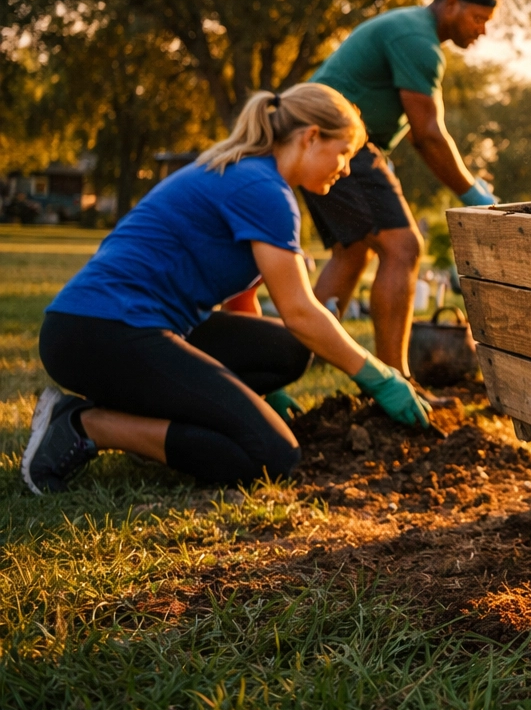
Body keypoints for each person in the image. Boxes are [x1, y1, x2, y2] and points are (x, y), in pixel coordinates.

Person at [23, 85, 434, 495]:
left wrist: (263, 391)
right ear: (311, 137)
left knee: (288, 350)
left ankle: (147, 415)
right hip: (99, 333)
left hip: (127, 328)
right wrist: (378, 375)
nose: (345, 168)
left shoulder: (250, 174)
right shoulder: (263, 189)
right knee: (271, 456)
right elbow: (301, 312)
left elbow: (243, 302)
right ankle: (85, 424)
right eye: (344, 152)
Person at [306, 0, 500, 373]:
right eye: (478, 18)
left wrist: (468, 182)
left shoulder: (409, 28)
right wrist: (474, 196)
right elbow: (428, 134)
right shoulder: (418, 41)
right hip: (341, 141)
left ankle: (294, 363)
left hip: (311, 138)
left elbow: (417, 132)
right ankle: (396, 379)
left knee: (352, 251)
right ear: (450, 4)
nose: (482, 31)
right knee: (404, 248)